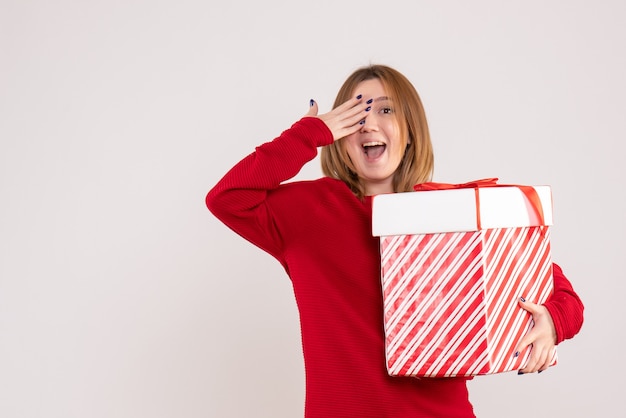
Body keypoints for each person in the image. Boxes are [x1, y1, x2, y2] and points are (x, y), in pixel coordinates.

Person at [206, 65, 584, 417]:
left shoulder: (453, 212)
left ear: (410, 132)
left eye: (385, 111)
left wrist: (553, 321)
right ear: (339, 133)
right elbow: (226, 198)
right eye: (355, 113)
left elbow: (558, 291)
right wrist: (308, 134)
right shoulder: (307, 212)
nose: (368, 123)